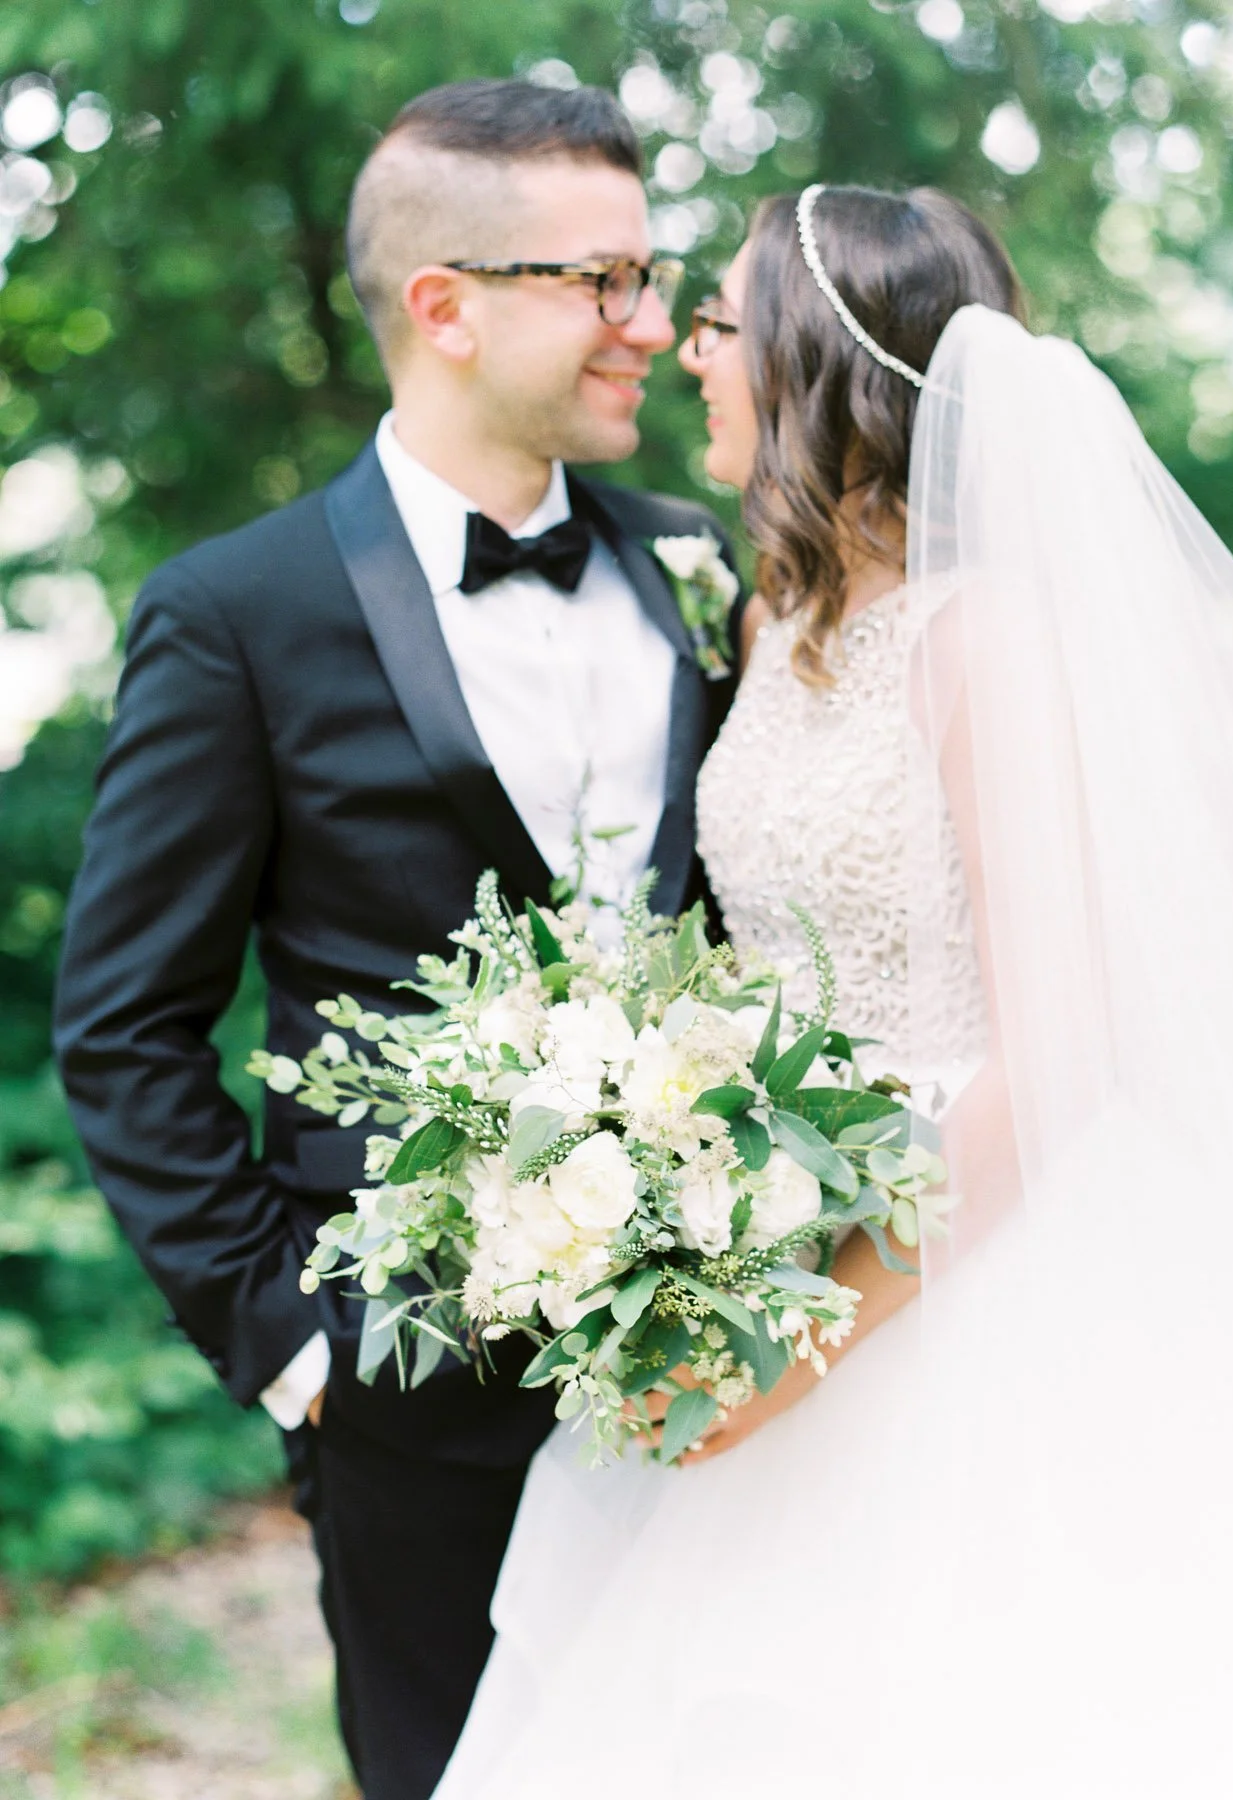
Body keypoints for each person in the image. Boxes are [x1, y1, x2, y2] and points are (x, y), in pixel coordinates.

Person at [434, 184, 1233, 1797]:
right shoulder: (782, 621)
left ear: (813, 367)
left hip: (971, 1278)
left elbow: (1066, 1042)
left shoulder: (983, 645)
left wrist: (796, 1345)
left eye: (720, 322)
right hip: (785, 1230)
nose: (688, 354)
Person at [53, 79, 742, 1800]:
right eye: (601, 283)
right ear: (445, 306)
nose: (648, 326)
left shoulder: (698, 564)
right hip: (412, 1396)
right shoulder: (237, 614)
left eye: (649, 279)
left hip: (725, 1372)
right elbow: (127, 1025)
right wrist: (291, 1347)